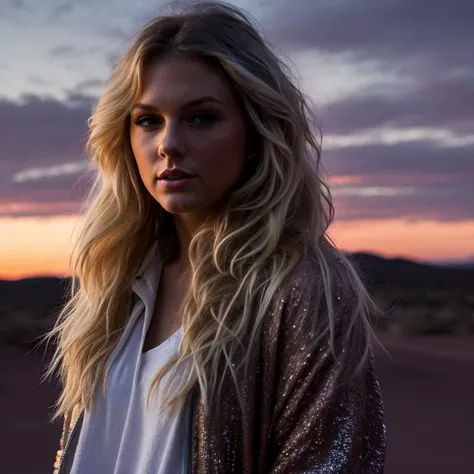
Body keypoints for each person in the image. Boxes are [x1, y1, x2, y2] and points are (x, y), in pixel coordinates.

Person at [48, 2, 386, 473]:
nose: (168, 144)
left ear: (256, 131)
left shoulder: (300, 290)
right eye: (148, 120)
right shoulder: (115, 282)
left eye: (202, 117)